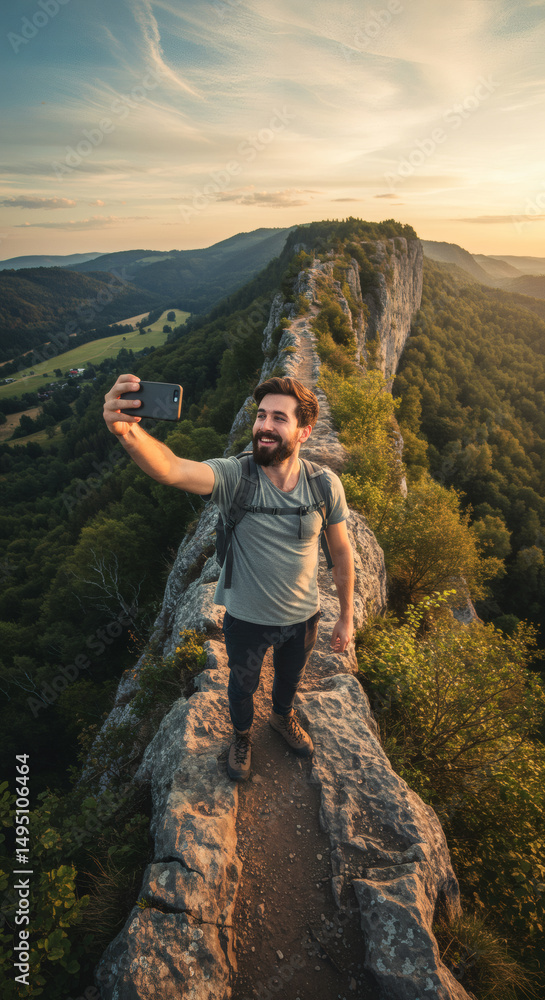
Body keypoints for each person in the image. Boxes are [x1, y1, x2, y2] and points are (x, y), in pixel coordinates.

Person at [103, 373, 355, 781]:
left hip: (303, 617)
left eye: (279, 418)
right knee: (241, 688)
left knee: (289, 681)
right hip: (247, 619)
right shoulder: (236, 476)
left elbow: (341, 552)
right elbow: (172, 469)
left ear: (304, 431)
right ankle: (241, 736)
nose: (265, 426)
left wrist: (346, 615)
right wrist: (128, 434)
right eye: (261, 416)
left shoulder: (324, 485)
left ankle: (281, 717)